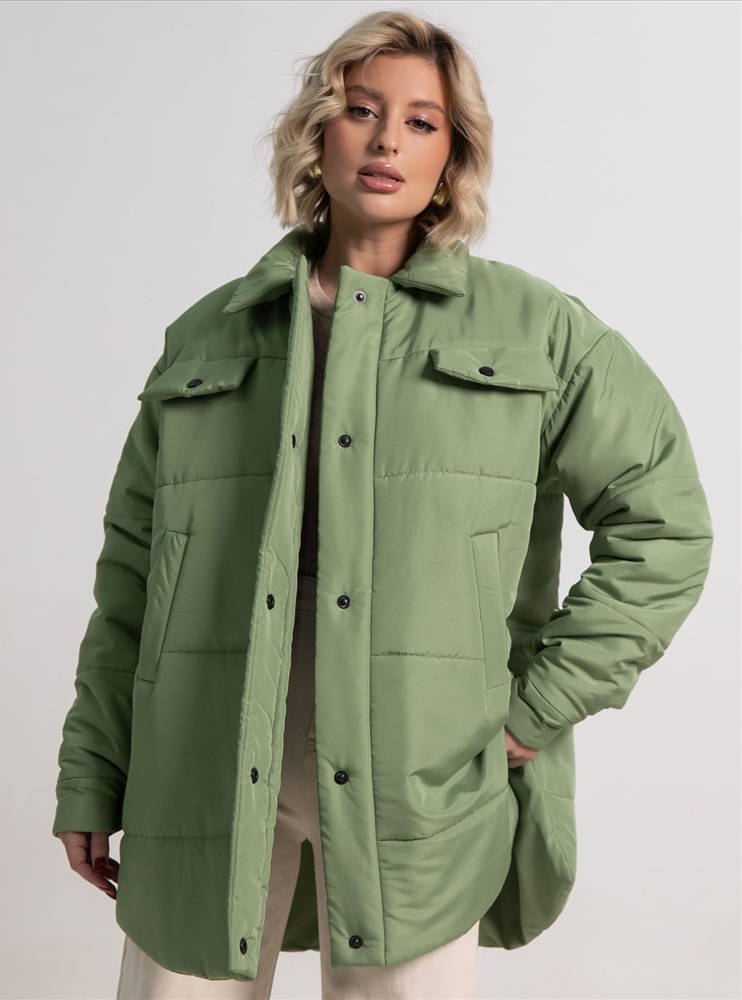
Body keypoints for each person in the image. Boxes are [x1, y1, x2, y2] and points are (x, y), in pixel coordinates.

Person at [51, 10, 714, 1000]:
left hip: (421, 786)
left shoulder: (536, 331)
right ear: (319, 132)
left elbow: (666, 528)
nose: (388, 141)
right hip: (201, 768)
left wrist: (537, 709)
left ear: (453, 157)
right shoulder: (208, 337)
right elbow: (134, 578)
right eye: (362, 110)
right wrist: (93, 769)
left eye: (421, 122)